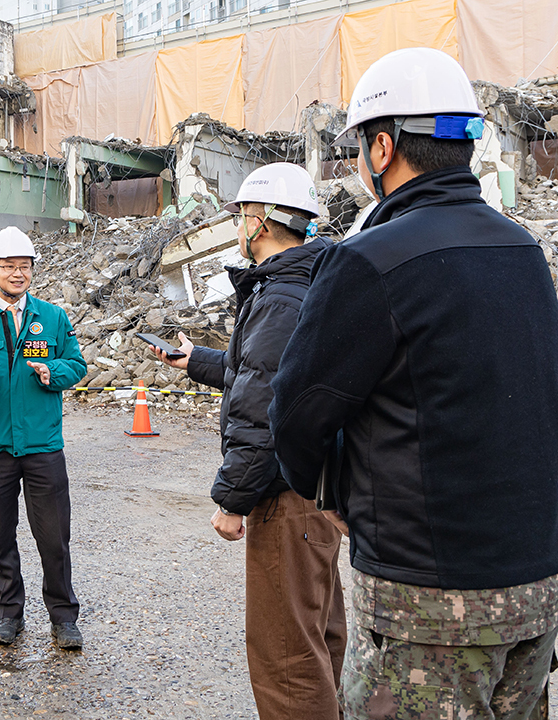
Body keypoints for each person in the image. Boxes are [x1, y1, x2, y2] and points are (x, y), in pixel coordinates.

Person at [269, 47, 558, 718]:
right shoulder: (523, 251)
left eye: (357, 151)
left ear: (382, 148)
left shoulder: (370, 261)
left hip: (428, 605)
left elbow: (296, 418)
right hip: (538, 584)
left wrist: (337, 493)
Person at [151, 163, 345, 719]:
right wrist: (198, 361)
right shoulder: (306, 283)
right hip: (318, 493)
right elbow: (264, 374)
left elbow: (263, 411)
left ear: (258, 222)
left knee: (286, 656)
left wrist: (232, 499)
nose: (238, 225)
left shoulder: (281, 299)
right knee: (319, 637)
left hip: (286, 500)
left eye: (241, 215)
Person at [0, 227, 88, 649]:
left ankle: (63, 619)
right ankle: (9, 615)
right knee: (1, 536)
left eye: (24, 267)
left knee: (54, 537)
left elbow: (76, 364)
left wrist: (52, 374)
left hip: (43, 446)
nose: (17, 274)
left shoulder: (54, 317)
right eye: (8, 267)